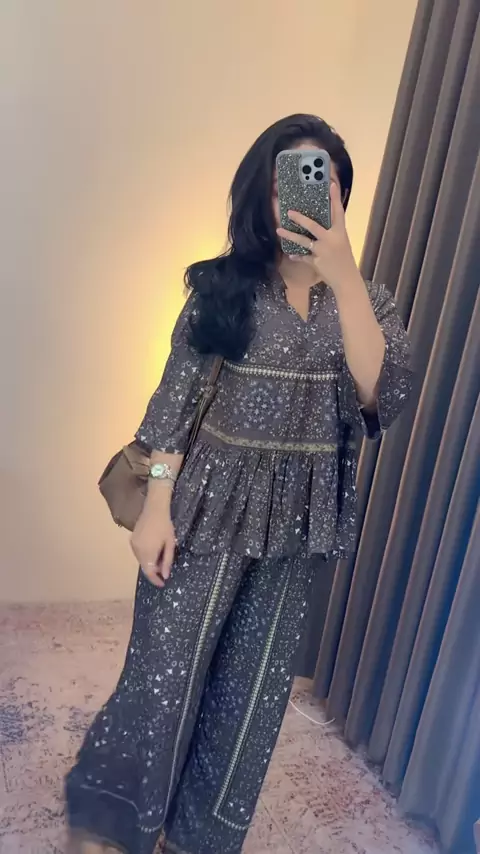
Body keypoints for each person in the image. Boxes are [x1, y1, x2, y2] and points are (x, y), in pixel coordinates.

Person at [65, 114, 413, 854]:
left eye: (324, 184)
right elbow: (172, 408)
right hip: (203, 512)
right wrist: (156, 506)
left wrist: (345, 273)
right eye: (291, 183)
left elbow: (382, 396)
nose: (306, 200)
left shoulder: (367, 304)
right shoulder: (222, 289)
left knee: (250, 702)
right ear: (263, 194)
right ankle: (115, 824)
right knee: (163, 678)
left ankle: (200, 839)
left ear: (341, 197)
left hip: (298, 529)